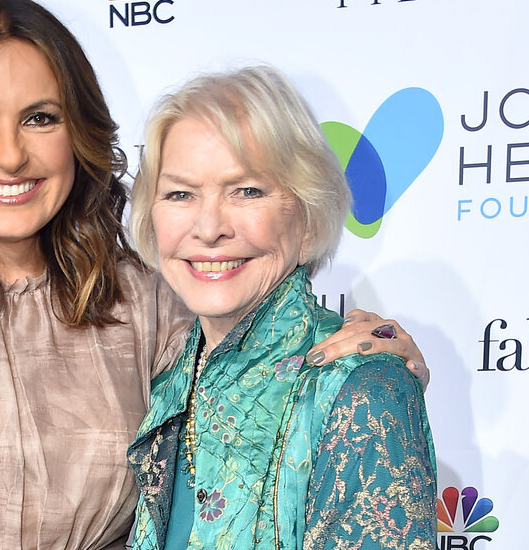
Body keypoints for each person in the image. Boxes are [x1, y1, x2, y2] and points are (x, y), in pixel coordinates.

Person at [0, 0, 429, 550]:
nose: (9, 155)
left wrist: (381, 373)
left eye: (39, 117)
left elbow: (260, 382)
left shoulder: (147, 304)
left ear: (79, 133)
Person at [125, 66, 437, 549]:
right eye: (180, 193)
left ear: (308, 218)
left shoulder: (363, 386)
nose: (208, 228)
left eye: (246, 190)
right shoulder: (170, 385)